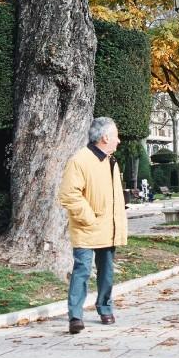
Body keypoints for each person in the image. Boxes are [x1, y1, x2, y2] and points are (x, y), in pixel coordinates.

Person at [59, 117, 128, 333]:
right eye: (116, 136)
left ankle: (105, 307)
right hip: (86, 228)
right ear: (105, 137)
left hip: (108, 228)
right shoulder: (80, 160)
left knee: (107, 272)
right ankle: (75, 316)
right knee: (82, 270)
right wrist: (89, 218)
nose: (119, 141)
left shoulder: (110, 161)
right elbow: (69, 194)